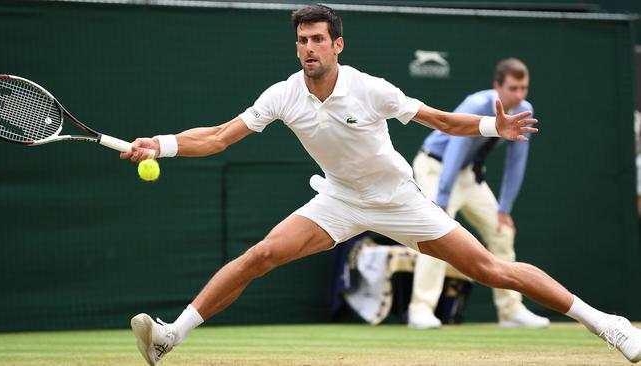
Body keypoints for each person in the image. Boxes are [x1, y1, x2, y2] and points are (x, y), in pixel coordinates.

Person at [121, 5, 641, 365]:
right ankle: (170, 337)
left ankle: (605, 322)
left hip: (398, 200)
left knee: (490, 268)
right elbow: (216, 137)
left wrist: (491, 127)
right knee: (260, 256)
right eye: (301, 40)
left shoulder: (371, 90)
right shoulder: (282, 95)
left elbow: (439, 119)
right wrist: (159, 143)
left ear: (337, 45)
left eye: (317, 40)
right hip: (339, 199)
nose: (308, 48)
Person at [408, 58, 549, 329]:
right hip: (435, 168)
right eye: (513, 88)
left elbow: (516, 162)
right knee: (437, 233)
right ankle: (420, 310)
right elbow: (454, 150)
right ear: (497, 87)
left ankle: (510, 311)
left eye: (523, 88)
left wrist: (504, 209)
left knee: (502, 232)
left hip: (468, 174)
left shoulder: (523, 110)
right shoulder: (477, 105)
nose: (519, 95)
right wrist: (444, 200)